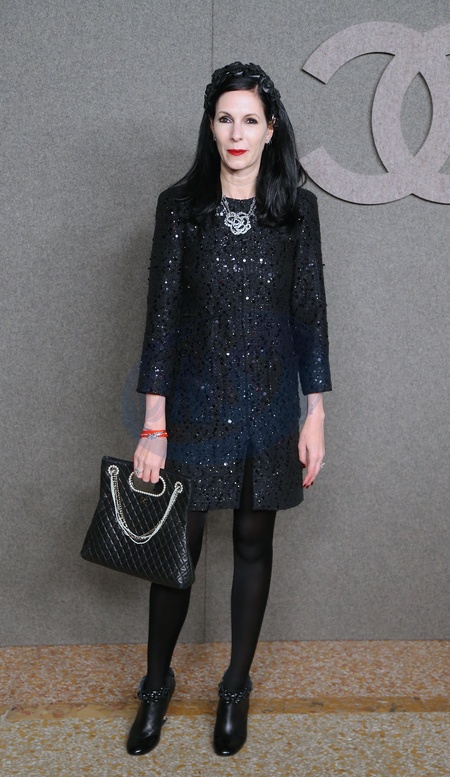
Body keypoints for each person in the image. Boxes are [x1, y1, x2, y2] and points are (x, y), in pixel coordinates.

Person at [127, 61, 331, 758]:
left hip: (271, 405)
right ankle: (156, 684)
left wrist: (314, 414)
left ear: (271, 130)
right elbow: (161, 320)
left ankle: (235, 686)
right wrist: (154, 425)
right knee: (176, 548)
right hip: (194, 403)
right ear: (210, 127)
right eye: (224, 118)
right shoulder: (180, 208)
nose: (237, 132)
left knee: (253, 542)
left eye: (250, 120)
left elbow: (309, 316)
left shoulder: (296, 211)